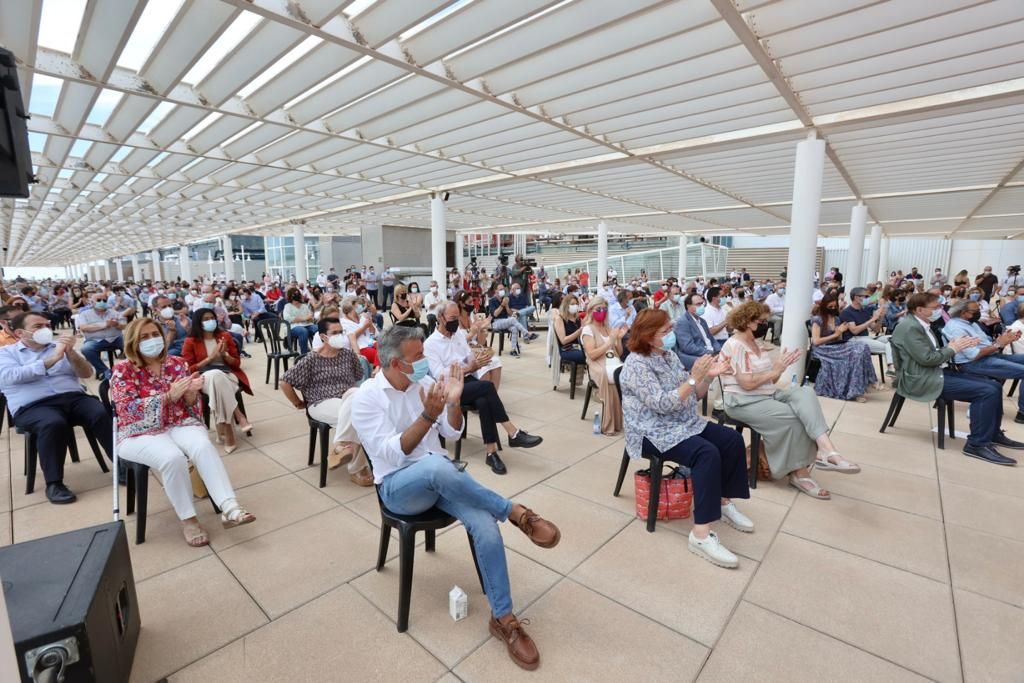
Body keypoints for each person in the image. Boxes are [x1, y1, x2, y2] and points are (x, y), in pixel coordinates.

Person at [352, 326, 559, 669]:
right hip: (399, 488)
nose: (423, 363)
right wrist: (428, 415)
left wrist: (453, 404)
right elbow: (393, 454)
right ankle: (514, 511)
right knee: (436, 466)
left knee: (484, 524)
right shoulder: (367, 397)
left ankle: (504, 619)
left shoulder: (422, 386)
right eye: (416, 357)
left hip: (442, 481)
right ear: (393, 363)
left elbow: (451, 431)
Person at [620, 308, 751, 568]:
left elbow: (695, 395)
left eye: (670, 329)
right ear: (647, 336)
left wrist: (707, 378)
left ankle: (722, 500)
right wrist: (694, 378)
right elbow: (662, 404)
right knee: (706, 454)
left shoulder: (668, 356)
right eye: (666, 331)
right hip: (652, 430)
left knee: (731, 440)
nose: (671, 335)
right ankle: (700, 534)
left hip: (681, 421)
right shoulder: (636, 364)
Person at [111, 318, 255, 546]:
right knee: (172, 458)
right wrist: (167, 396)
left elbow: (189, 405)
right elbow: (127, 410)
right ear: (133, 342)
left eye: (154, 334)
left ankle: (229, 506)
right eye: (144, 337)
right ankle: (188, 519)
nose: (152, 340)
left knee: (203, 446)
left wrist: (190, 394)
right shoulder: (123, 370)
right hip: (139, 432)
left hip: (178, 422)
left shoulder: (176, 363)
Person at [723, 301, 859, 499]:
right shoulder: (735, 345)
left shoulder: (756, 343)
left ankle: (828, 450)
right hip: (743, 400)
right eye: (761, 321)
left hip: (765, 394)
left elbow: (773, 379)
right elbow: (747, 384)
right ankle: (799, 473)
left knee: (805, 393)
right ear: (748, 321)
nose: (765, 325)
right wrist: (775, 370)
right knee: (796, 418)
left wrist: (780, 367)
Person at [891, 292, 1021, 465]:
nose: (941, 310)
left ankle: (992, 434)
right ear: (920, 309)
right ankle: (976, 445)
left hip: (933, 371)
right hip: (921, 379)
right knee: (986, 391)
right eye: (935, 307)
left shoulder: (922, 324)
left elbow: (928, 356)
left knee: (994, 385)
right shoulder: (910, 327)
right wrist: (954, 348)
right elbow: (927, 359)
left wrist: (958, 346)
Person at [0, 312, 114, 504]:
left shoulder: (59, 347)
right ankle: (54, 483)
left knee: (100, 412)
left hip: (72, 397)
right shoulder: (6, 353)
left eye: (47, 324)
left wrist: (71, 354)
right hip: (33, 406)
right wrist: (53, 359)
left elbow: (87, 373)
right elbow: (10, 376)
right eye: (38, 326)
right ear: (20, 333)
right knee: (52, 423)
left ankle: (122, 465)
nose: (45, 329)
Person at [424, 303, 540, 473]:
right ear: (440, 318)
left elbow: (470, 357)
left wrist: (478, 353)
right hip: (449, 389)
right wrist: (468, 367)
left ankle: (491, 452)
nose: (456, 322)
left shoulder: (457, 336)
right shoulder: (431, 344)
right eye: (452, 319)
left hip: (468, 381)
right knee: (486, 387)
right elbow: (439, 374)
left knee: (484, 400)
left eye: (457, 318)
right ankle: (513, 433)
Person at [280, 317, 373, 485]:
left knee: (356, 398)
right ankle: (357, 469)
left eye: (341, 332)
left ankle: (341, 446)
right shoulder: (311, 359)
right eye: (335, 333)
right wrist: (298, 403)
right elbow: (284, 382)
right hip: (321, 402)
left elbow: (358, 376)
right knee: (358, 413)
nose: (340, 336)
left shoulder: (347, 355)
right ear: (323, 337)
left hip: (346, 399)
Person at [182, 309, 254, 453]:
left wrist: (224, 355)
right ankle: (238, 416)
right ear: (198, 322)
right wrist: (209, 358)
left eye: (212, 318)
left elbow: (236, 363)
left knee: (217, 377)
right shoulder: (190, 341)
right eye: (206, 319)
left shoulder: (224, 336)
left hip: (228, 374)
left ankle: (227, 432)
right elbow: (188, 369)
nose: (210, 321)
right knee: (215, 375)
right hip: (203, 377)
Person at [942, 299, 1024, 423]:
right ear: (964, 313)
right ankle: (1022, 414)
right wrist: (998, 345)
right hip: (970, 364)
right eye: (975, 311)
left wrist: (1004, 340)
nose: (979, 312)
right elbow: (973, 355)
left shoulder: (971, 323)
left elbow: (986, 345)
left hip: (988, 356)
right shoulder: (956, 328)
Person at [810, 292, 876, 401]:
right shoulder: (818, 319)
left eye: (834, 306)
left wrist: (840, 333)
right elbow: (816, 341)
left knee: (862, 347)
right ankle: (857, 391)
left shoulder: (835, 319)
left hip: (834, 346)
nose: (832, 308)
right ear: (824, 306)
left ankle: (865, 383)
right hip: (822, 349)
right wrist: (835, 334)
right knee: (855, 354)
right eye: (830, 306)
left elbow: (838, 339)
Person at [580, 298, 625, 436]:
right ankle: (609, 423)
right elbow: (592, 355)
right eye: (598, 310)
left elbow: (619, 353)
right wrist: (608, 342)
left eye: (604, 310)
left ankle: (625, 419)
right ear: (590, 311)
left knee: (627, 373)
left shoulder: (608, 328)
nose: (602, 312)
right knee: (609, 378)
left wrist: (618, 339)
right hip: (597, 365)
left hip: (612, 362)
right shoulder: (588, 329)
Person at [839, 287, 894, 376]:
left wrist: (881, 317)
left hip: (867, 338)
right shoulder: (847, 312)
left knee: (894, 340)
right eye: (865, 297)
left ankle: (892, 368)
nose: (867, 299)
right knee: (888, 346)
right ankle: (891, 368)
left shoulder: (863, 310)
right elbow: (854, 331)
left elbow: (875, 329)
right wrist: (872, 319)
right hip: (854, 340)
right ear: (856, 297)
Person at [76, 292, 126, 379]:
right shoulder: (85, 314)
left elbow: (124, 325)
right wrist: (105, 325)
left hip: (115, 338)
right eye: (99, 300)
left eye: (104, 300)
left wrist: (116, 324)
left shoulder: (114, 312)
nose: (102, 302)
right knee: (86, 349)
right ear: (92, 302)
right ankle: (105, 371)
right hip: (95, 340)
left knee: (134, 343)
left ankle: (130, 370)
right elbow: (84, 328)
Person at [672, 292, 722, 369]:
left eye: (702, 303)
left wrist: (719, 351)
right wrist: (710, 353)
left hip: (712, 353)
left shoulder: (702, 321)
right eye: (698, 304)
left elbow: (711, 339)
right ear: (688, 306)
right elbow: (688, 347)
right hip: (698, 356)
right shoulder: (683, 322)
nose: (702, 306)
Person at [487, 285, 534, 358]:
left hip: (505, 321)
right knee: (512, 319)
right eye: (500, 289)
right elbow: (495, 314)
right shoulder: (492, 300)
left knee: (514, 328)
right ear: (496, 291)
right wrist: (502, 305)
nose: (502, 291)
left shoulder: (505, 299)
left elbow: (510, 313)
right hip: (496, 322)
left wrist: (506, 306)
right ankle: (526, 333)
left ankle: (513, 350)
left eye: (503, 289)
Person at [340, 297, 379, 367]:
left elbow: (374, 334)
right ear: (351, 308)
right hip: (361, 348)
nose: (361, 307)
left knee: (387, 349)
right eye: (358, 305)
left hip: (371, 342)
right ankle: (378, 369)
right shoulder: (343, 322)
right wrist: (364, 327)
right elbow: (352, 337)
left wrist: (370, 324)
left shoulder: (363, 317)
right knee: (380, 355)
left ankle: (378, 368)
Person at [282, 288, 318, 354]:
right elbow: (288, 318)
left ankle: (318, 351)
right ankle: (304, 355)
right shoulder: (287, 306)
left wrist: (309, 318)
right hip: (292, 327)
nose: (297, 295)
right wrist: (304, 318)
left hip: (307, 325)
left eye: (298, 293)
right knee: (303, 331)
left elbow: (310, 316)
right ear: (290, 296)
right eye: (294, 294)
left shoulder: (304, 306)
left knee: (318, 328)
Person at [552, 293, 585, 365]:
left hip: (578, 347)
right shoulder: (560, 319)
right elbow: (563, 340)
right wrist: (579, 331)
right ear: (566, 305)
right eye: (572, 304)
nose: (575, 306)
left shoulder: (577, 318)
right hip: (567, 349)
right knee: (589, 356)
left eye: (576, 304)